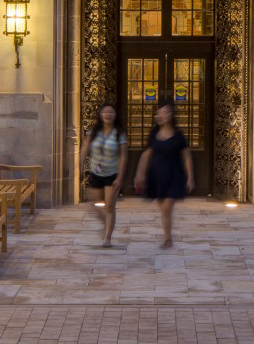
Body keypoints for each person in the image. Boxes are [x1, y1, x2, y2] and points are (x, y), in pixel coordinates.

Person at [132, 100, 193, 248]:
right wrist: (139, 175)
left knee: (167, 207)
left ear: (171, 115)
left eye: (166, 112)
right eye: (161, 112)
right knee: (163, 209)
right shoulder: (154, 134)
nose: (163, 115)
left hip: (174, 174)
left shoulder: (178, 136)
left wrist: (190, 176)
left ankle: (168, 239)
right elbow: (146, 155)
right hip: (157, 175)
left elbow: (186, 156)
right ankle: (168, 237)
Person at [80, 103, 128, 246]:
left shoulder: (119, 134)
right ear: (100, 115)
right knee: (95, 203)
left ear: (115, 116)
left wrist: (120, 177)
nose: (108, 115)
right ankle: (106, 224)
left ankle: (107, 237)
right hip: (96, 172)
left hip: (112, 173)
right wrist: (79, 165)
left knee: (109, 206)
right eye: (105, 112)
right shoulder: (93, 132)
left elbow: (124, 157)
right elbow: (84, 149)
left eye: (111, 112)